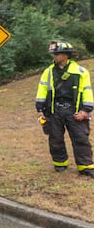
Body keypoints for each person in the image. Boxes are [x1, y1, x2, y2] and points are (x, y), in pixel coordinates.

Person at [35, 40, 94, 178]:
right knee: (55, 138)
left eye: (57, 53)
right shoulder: (48, 72)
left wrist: (85, 110)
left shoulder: (80, 72)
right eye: (53, 54)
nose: (54, 56)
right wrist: (40, 108)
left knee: (80, 138)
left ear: (67, 55)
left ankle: (85, 166)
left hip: (75, 111)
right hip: (54, 111)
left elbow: (87, 91)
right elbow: (42, 89)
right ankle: (60, 163)